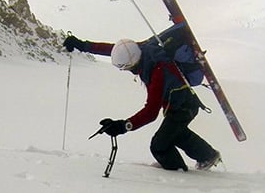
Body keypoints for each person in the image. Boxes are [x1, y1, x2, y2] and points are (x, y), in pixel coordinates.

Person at [63, 34, 222, 171]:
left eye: (125, 68)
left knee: (159, 146)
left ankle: (176, 172)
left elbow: (151, 112)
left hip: (183, 108)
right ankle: (208, 156)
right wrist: (82, 45)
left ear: (132, 64)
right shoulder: (142, 49)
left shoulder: (157, 72)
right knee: (174, 134)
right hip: (181, 104)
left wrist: (123, 126)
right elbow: (112, 50)